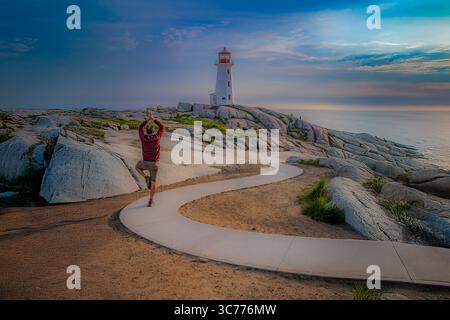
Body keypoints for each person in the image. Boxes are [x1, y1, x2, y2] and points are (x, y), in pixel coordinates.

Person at [135, 112, 164, 207]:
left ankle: (145, 177)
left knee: (137, 167)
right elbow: (161, 127)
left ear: (146, 131)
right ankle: (151, 200)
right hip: (154, 165)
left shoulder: (143, 137)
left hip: (144, 163)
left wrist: (147, 120)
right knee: (153, 183)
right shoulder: (157, 137)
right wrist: (154, 119)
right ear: (153, 131)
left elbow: (140, 128)